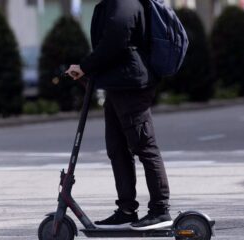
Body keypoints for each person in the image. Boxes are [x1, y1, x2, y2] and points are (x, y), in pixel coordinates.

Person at [66, 0, 172, 231]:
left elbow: (116, 41)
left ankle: (160, 210)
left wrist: (86, 66)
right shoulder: (111, 3)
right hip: (117, 84)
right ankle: (126, 209)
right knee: (117, 148)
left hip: (131, 85)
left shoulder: (124, 2)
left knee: (144, 146)